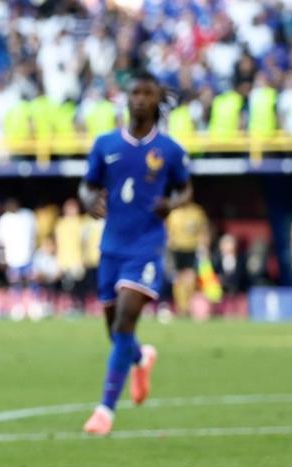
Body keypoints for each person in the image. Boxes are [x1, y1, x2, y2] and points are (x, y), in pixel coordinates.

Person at [78, 70, 193, 436]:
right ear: (127, 99)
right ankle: (141, 358)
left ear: (159, 100)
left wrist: (171, 203)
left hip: (146, 246)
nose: (140, 99)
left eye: (147, 93)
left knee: (126, 318)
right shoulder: (105, 145)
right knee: (115, 329)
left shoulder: (171, 150)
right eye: (135, 93)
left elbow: (185, 189)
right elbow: (87, 185)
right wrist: (88, 202)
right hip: (111, 245)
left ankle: (104, 411)